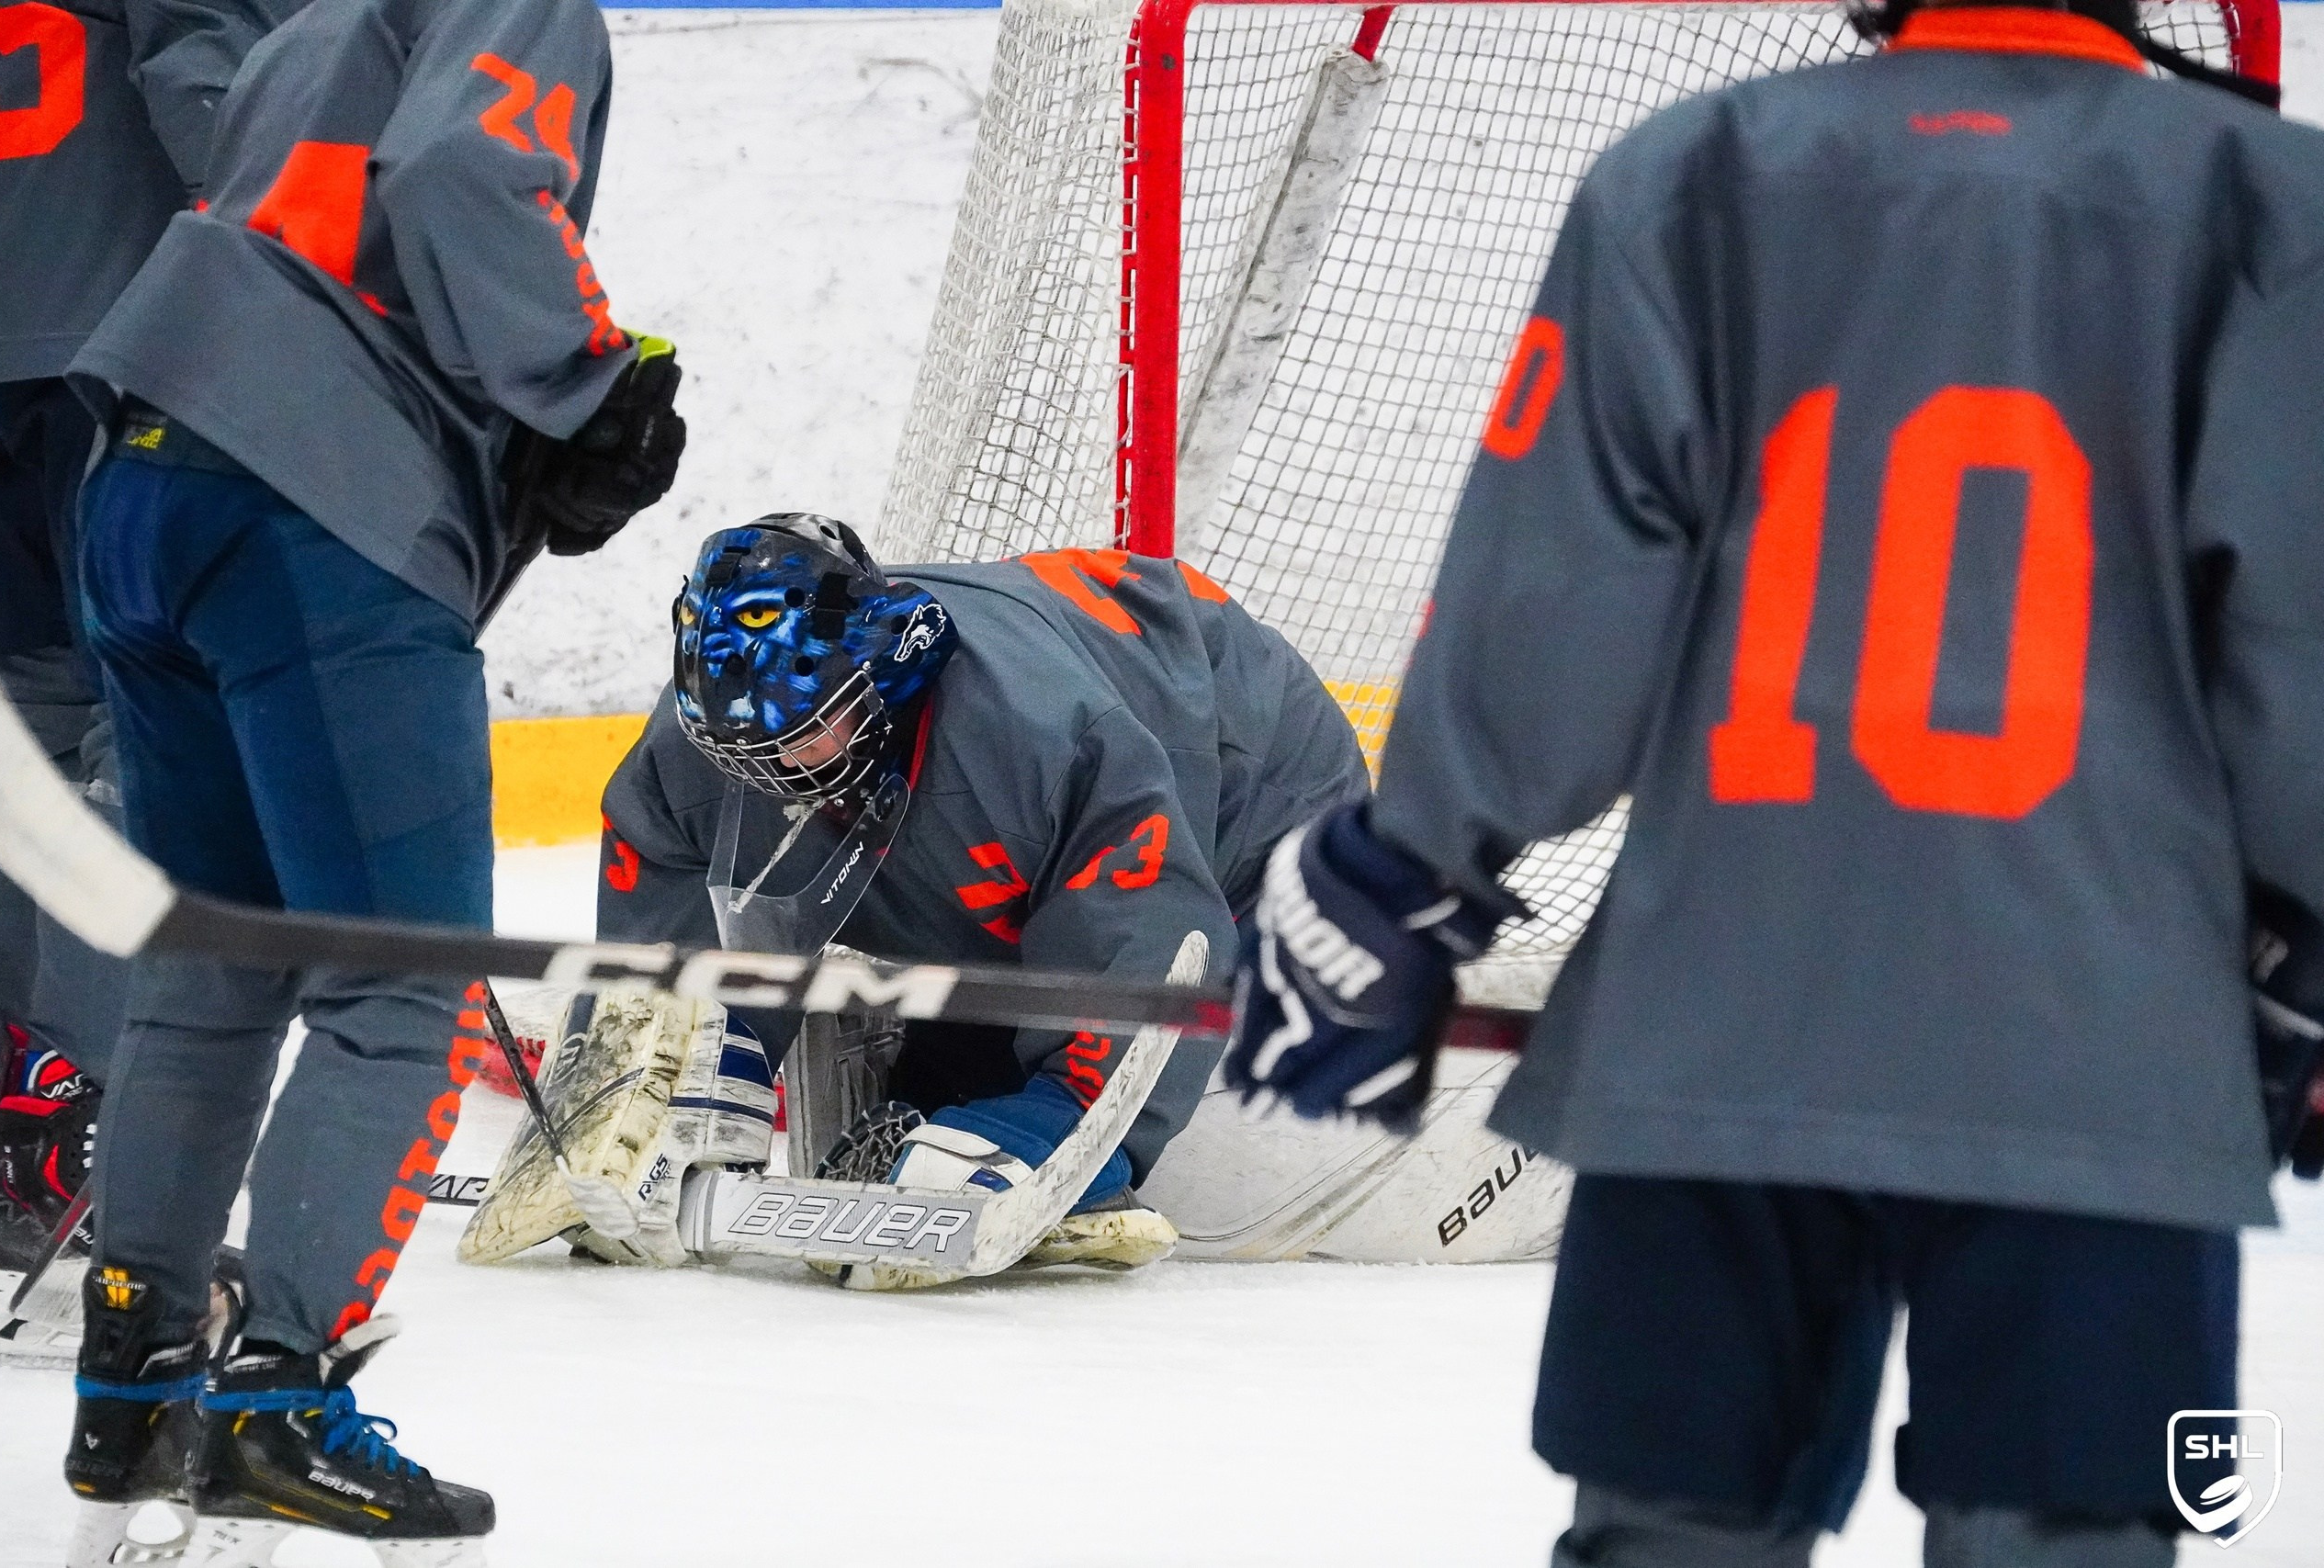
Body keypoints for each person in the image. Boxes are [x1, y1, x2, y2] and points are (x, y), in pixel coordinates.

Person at [1224, 1, 2321, 1563]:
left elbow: (1558, 602)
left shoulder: (1690, 173)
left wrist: (1407, 865)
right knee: (2072, 1536)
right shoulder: (2277, 200)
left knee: (1673, 1534)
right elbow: (2304, 641)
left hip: (1715, 1021)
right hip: (2104, 1046)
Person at [51, 0, 684, 1555]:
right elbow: (462, 171)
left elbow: (316, 209)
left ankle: (132, 1378)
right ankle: (276, 1398)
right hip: (310, 507)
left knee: (213, 969)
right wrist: (590, 377)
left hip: (141, 480)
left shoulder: (320, 20)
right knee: (399, 981)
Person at [485, 513, 1511, 1281]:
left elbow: (1157, 930)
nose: (776, 772)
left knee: (1145, 1126)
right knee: (937, 1099)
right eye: (744, 749)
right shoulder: (726, 731)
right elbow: (661, 934)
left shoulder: (1047, 736)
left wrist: (1060, 1122)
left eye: (807, 737)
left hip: (1252, 794)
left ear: (884, 673)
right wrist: (667, 1074)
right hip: (1030, 808)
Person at [0, 0, 298, 1363]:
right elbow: (210, 79)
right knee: (146, 722)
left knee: (16, 729)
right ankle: (85, 1129)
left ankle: (0, 1109)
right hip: (124, 340)